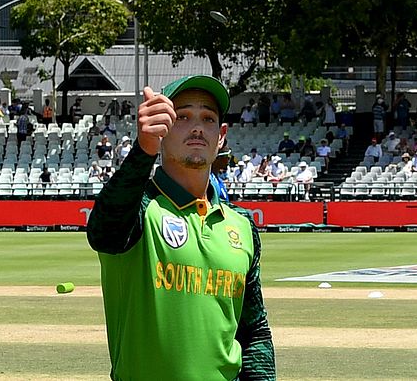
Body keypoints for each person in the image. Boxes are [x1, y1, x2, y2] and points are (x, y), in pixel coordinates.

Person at [86, 75, 275, 380]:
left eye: (208, 118)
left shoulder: (242, 225)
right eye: (183, 116)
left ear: (221, 135)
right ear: (163, 128)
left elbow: (253, 332)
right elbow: (103, 232)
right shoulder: (141, 208)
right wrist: (143, 150)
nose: (197, 127)